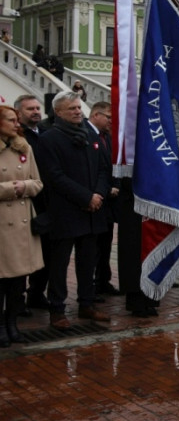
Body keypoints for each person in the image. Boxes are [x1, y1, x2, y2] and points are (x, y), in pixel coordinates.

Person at [35, 91, 112, 328]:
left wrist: (97, 195)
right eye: (72, 109)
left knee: (88, 261)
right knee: (59, 263)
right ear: (58, 112)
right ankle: (57, 309)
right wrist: (86, 197)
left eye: (79, 108)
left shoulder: (90, 135)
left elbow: (103, 169)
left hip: (92, 210)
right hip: (65, 210)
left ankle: (86, 304)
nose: (78, 111)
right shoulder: (49, 139)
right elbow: (54, 176)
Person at [0, 105, 44, 347]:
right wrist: (11, 188)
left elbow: (37, 182)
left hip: (21, 225)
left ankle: (12, 322)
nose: (16, 124)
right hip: (1, 226)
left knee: (18, 284)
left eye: (17, 120)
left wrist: (23, 187)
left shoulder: (24, 147)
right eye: (10, 120)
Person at [13, 95, 49, 310]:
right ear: (19, 113)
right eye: (30, 109)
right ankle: (17, 300)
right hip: (23, 202)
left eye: (37, 108)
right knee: (21, 253)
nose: (36, 111)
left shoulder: (46, 134)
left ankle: (36, 293)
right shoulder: (16, 138)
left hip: (45, 202)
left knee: (44, 252)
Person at [85, 102, 122, 298]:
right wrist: (103, 190)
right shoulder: (86, 134)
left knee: (105, 245)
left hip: (108, 203)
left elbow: (112, 164)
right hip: (94, 200)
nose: (111, 121)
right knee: (93, 248)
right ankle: (90, 286)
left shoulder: (107, 137)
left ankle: (102, 280)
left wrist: (115, 184)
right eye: (108, 117)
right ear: (95, 115)